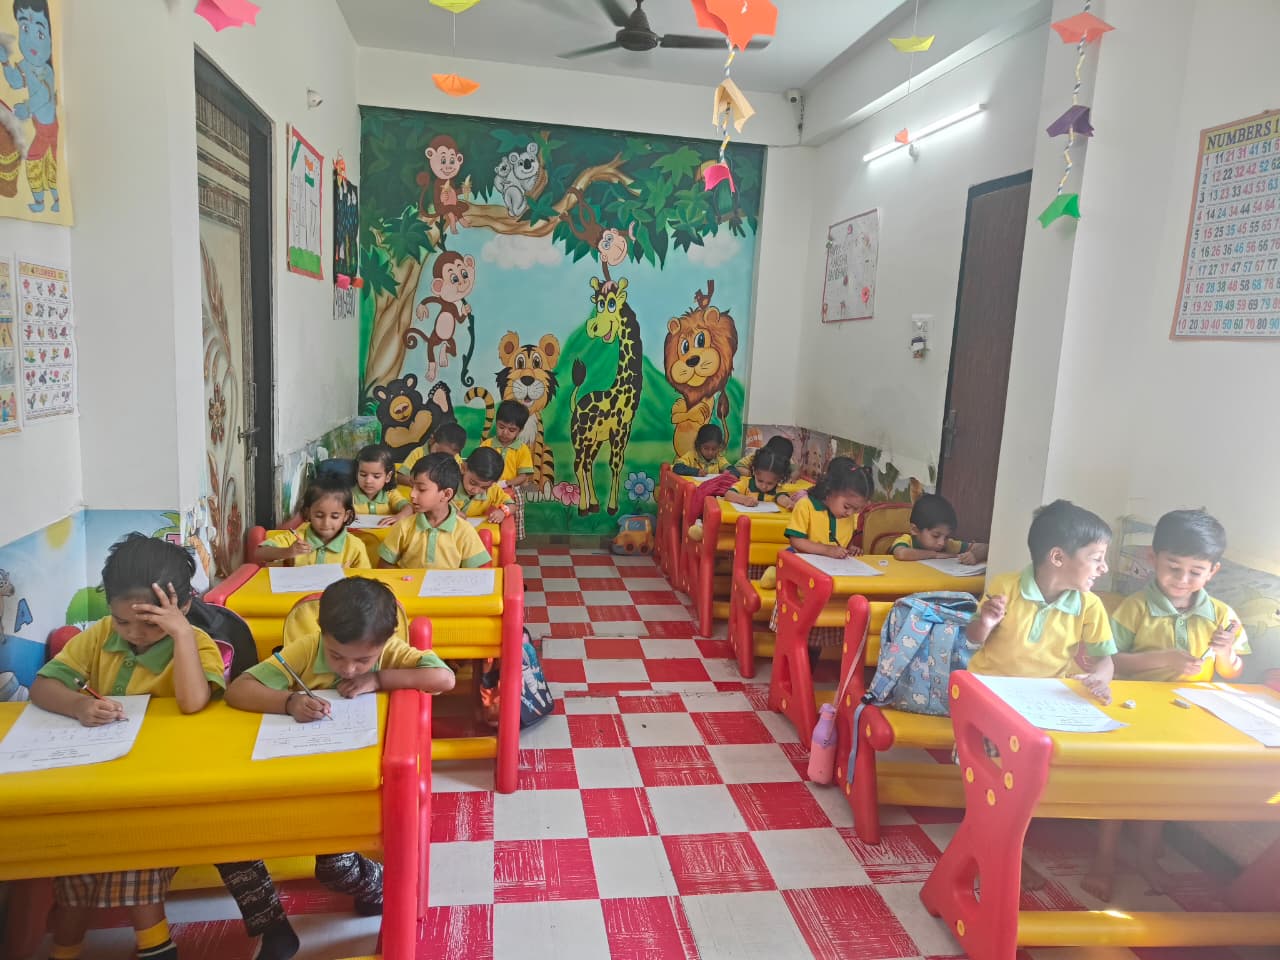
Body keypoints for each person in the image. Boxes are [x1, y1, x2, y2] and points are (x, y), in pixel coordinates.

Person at [31, 534, 226, 960]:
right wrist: (80, 705)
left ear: (182, 609)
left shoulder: (196, 645)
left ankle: (156, 946)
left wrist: (180, 636)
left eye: (151, 622)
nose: (135, 634)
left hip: (156, 788)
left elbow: (194, 702)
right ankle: (64, 950)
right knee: (74, 883)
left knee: (137, 863)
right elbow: (43, 686)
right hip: (93, 783)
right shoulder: (101, 635)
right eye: (124, 622)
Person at [225, 578, 454, 924]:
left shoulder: (390, 651)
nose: (348, 669)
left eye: (363, 660)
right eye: (335, 656)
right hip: (302, 774)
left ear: (384, 642)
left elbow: (444, 678)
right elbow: (238, 690)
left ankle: (385, 888)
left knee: (335, 868)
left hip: (363, 781)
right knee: (240, 834)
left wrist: (379, 680)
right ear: (322, 632)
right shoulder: (306, 648)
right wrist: (288, 701)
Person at [1084, 508, 1249, 901]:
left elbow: (1233, 671)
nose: (1182, 579)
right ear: (1152, 559)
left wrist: (1225, 654)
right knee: (1122, 790)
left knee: (1161, 790)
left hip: (1186, 719)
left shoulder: (1222, 616)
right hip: (1132, 713)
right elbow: (1111, 660)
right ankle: (1104, 859)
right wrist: (1165, 659)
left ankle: (1145, 857)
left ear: (1213, 572)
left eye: (1196, 571)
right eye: (1173, 567)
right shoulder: (1134, 608)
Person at [966, 499, 1115, 698]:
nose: (1104, 567)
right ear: (1058, 557)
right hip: (989, 690)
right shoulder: (1005, 587)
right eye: (1097, 558)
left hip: (1043, 697)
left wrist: (1100, 679)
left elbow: (1104, 660)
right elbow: (973, 638)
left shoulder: (1090, 605)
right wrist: (985, 623)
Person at [378, 452, 490, 569]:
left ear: (446, 494)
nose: (412, 494)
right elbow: (384, 565)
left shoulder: (465, 531)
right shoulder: (403, 527)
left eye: (421, 489)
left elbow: (474, 575)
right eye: (413, 487)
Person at [256, 476, 370, 568]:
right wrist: (288, 551)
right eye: (319, 516)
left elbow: (365, 583)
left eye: (334, 517)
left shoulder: (355, 546)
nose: (326, 523)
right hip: (297, 595)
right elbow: (259, 553)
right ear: (308, 512)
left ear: (346, 516)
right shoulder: (296, 538)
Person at [480, 400, 535, 539]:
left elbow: (523, 476)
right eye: (501, 427)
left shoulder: (522, 449)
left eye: (511, 430)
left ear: (520, 430)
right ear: (496, 423)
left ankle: (511, 549)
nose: (505, 432)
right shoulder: (487, 444)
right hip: (489, 488)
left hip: (512, 491)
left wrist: (506, 483)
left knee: (512, 524)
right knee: (488, 518)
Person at [890, 493, 989, 563]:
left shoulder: (949, 545)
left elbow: (986, 547)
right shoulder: (907, 540)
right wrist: (935, 555)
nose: (942, 542)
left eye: (946, 537)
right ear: (915, 530)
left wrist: (975, 555)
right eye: (935, 535)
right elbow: (901, 554)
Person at [724, 446, 796, 511]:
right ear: (754, 471)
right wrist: (743, 499)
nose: (764, 486)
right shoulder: (745, 484)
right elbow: (728, 494)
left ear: (779, 479)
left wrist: (789, 503)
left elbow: (782, 498)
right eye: (760, 481)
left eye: (770, 483)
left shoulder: (777, 490)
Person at [352, 444, 410, 523]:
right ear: (356, 473)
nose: (368, 481)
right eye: (363, 475)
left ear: (388, 477)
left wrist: (400, 516)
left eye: (376, 476)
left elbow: (409, 508)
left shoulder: (390, 494)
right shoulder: (348, 495)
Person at [454, 446, 514, 523]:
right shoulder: (449, 482)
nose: (476, 490)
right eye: (472, 483)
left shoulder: (492, 489)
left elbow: (512, 505)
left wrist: (503, 512)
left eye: (484, 487)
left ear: (493, 483)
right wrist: (449, 514)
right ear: (463, 468)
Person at [398, 420, 466, 485]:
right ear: (432, 440)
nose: (440, 458)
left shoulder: (456, 460)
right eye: (438, 453)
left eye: (447, 457)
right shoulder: (418, 453)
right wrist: (420, 484)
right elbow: (399, 477)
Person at [729, 435, 795, 479]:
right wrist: (754, 474)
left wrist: (792, 476)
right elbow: (737, 467)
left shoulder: (785, 461)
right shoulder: (755, 456)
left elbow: (796, 469)